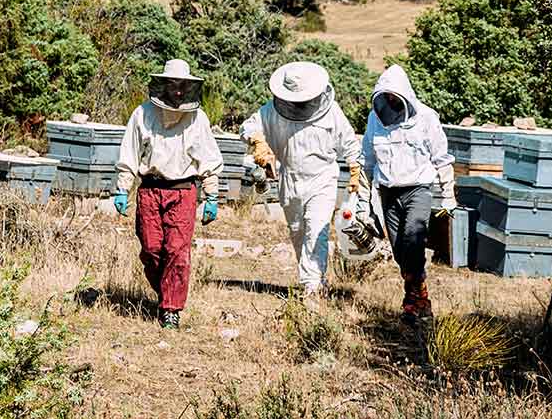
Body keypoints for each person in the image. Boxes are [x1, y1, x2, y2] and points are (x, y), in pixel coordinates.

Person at [114, 59, 223, 330]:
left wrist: (211, 195)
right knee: (151, 250)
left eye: (182, 86)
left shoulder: (198, 118)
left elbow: (208, 158)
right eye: (172, 84)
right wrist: (122, 188)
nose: (177, 90)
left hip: (184, 191)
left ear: (189, 88)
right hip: (150, 189)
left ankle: (171, 309)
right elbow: (129, 154)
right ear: (162, 84)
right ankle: (165, 293)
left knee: (177, 250)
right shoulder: (142, 114)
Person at [241, 61, 361, 297]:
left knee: (317, 229)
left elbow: (349, 141)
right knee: (297, 230)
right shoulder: (271, 111)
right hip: (290, 177)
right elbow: (249, 126)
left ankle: (312, 286)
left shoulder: (331, 111)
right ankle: (312, 279)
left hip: (322, 177)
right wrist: (256, 141)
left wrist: (355, 168)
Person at [359, 64, 455, 323]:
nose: (390, 101)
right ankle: (420, 297)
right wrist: (362, 201)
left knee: (413, 239)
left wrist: (448, 195)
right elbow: (367, 161)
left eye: (394, 96)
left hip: (418, 189)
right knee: (400, 250)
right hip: (388, 192)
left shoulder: (426, 117)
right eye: (386, 97)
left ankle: (411, 302)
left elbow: (441, 157)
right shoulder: (374, 119)